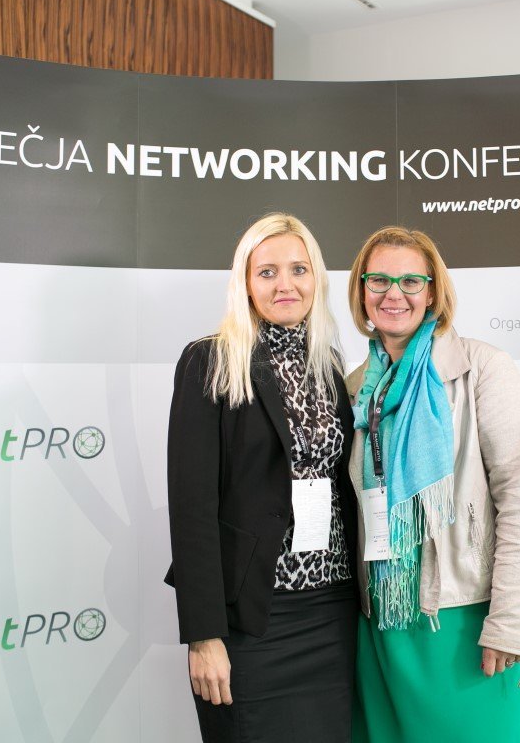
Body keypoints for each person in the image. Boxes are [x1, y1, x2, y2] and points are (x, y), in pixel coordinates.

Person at [346, 226, 520, 742]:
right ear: (361, 291)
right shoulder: (356, 387)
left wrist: (508, 622)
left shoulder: (483, 369)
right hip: (386, 621)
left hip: (467, 620)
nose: (394, 294)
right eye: (379, 280)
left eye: (411, 281)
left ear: (433, 292)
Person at [165, 213, 358, 742]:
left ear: (316, 278)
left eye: (299, 269)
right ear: (245, 283)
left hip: (332, 608)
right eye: (267, 272)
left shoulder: (328, 364)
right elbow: (191, 507)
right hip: (252, 617)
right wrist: (204, 636)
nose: (285, 284)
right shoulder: (210, 360)